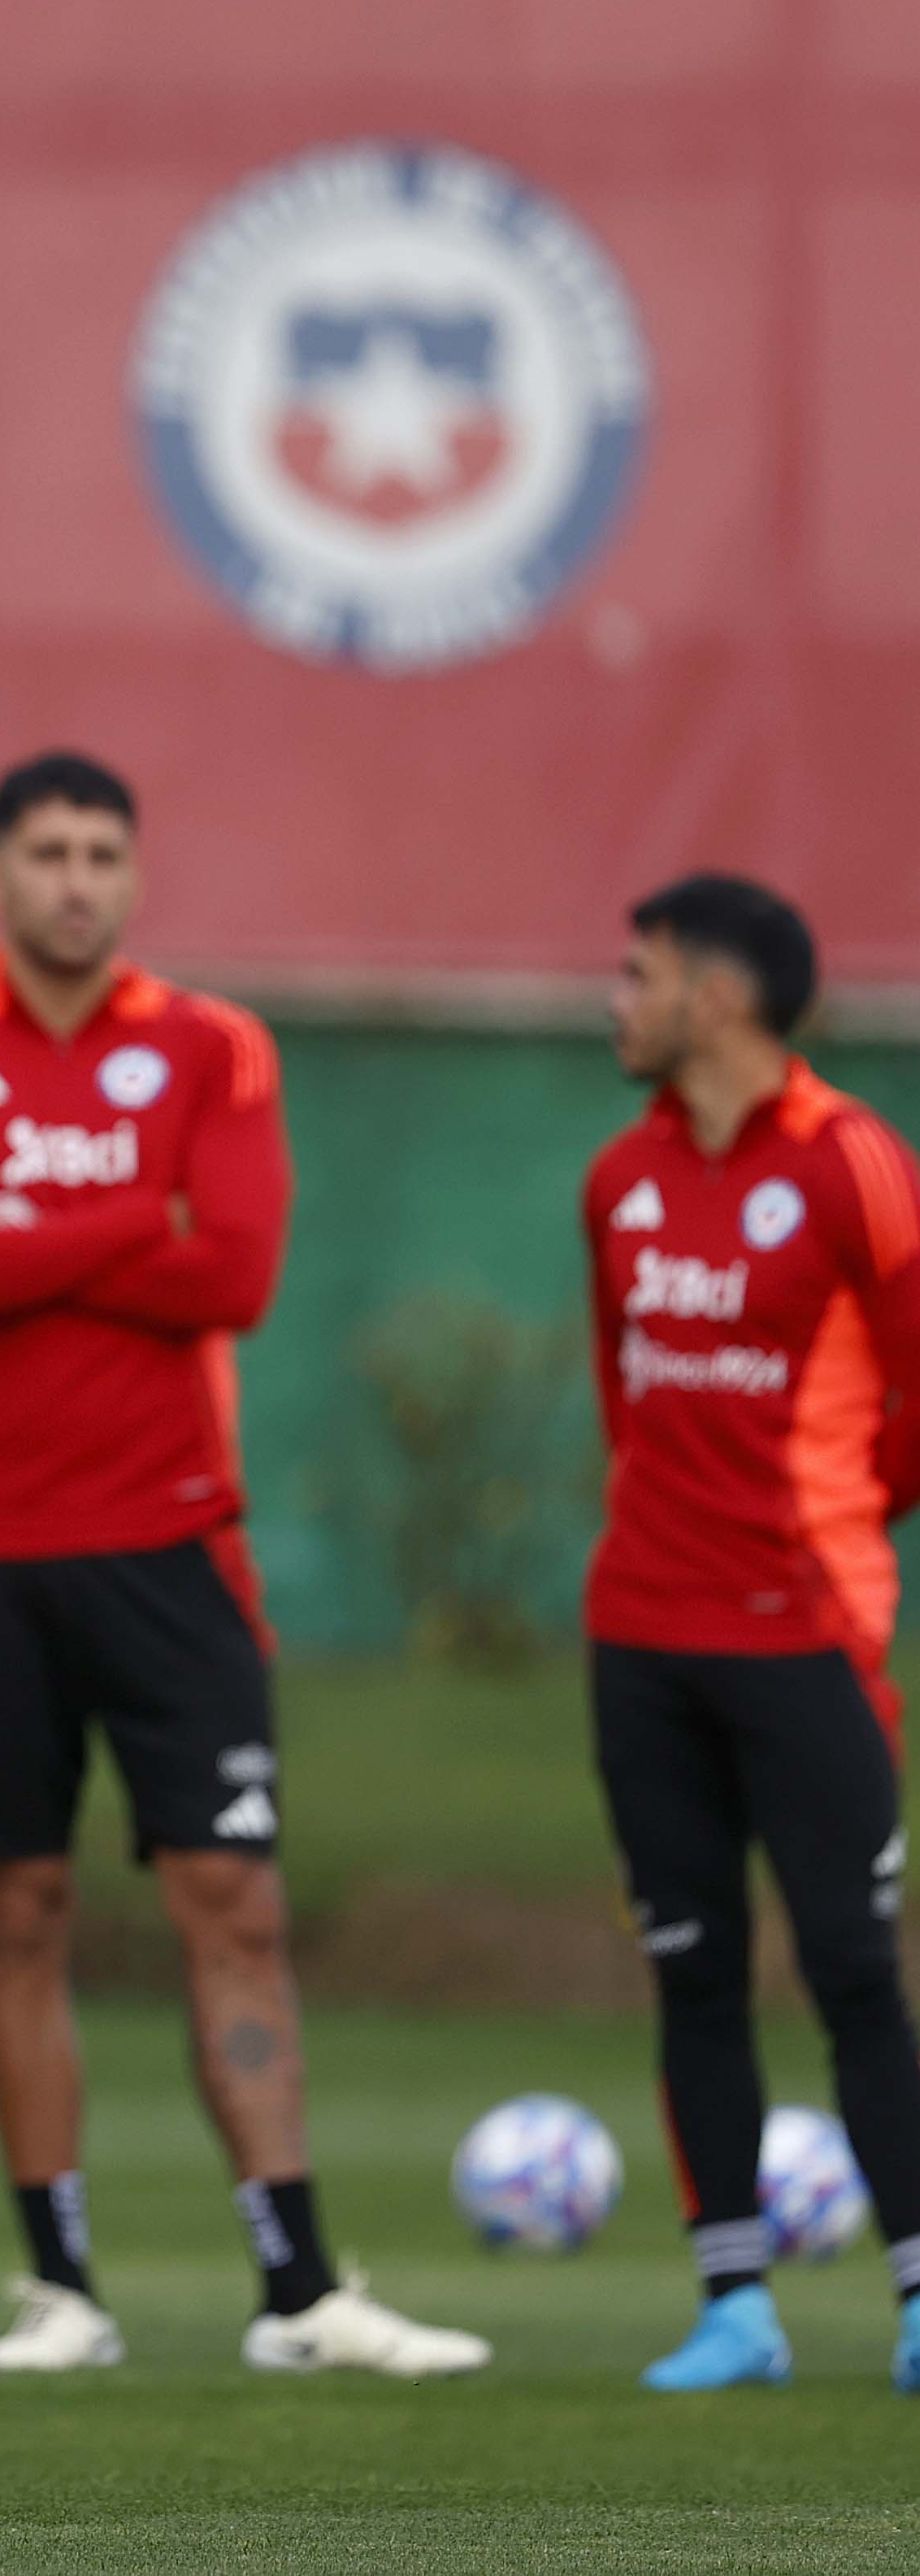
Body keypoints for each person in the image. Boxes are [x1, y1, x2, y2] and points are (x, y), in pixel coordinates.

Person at [0, 750, 483, 2378]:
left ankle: (293, 2289)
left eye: (102, 852)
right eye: (47, 852)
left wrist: (33, 1245)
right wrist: (138, 1223)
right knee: (19, 1905)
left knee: (231, 1901)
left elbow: (244, 1275)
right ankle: (62, 2285)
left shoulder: (212, 1045)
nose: (76, 879)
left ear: (132, 875)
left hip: (170, 1545)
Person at [579, 873, 920, 2395]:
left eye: (633, 971)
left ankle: (916, 2297)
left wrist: (828, 1521)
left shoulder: (851, 1164)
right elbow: (623, 1394)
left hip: (804, 1635)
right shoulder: (616, 1181)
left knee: (851, 1967)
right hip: (640, 1637)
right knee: (690, 1969)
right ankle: (734, 2307)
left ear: (712, 999)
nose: (614, 997)